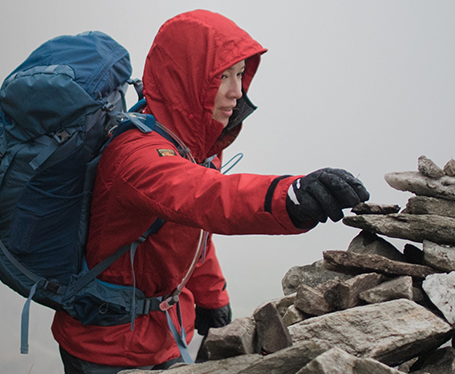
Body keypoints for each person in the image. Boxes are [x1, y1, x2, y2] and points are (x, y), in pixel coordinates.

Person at [51, 9, 371, 373]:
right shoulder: (136, 155)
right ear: (189, 78)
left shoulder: (196, 147)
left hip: (164, 335)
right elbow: (206, 198)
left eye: (240, 75)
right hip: (107, 348)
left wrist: (210, 297)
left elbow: (190, 230)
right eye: (223, 77)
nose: (237, 92)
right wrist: (291, 196)